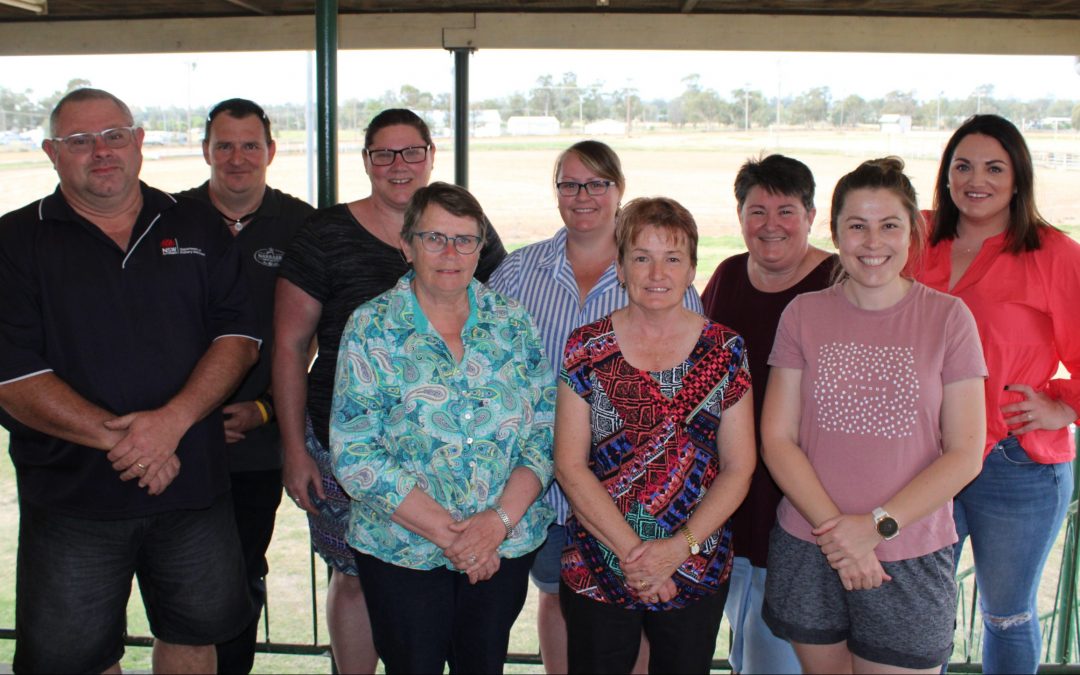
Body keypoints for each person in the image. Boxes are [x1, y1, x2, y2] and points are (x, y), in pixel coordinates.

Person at [0, 88, 259, 673]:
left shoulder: (196, 223)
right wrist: (132, 444)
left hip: (192, 489)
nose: (101, 152)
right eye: (79, 141)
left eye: (114, 136)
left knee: (195, 636)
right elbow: (13, 376)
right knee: (73, 660)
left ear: (139, 142)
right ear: (51, 153)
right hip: (73, 500)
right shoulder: (15, 241)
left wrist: (169, 425)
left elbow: (240, 338)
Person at [274, 108, 506, 673]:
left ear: (430, 155)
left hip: (460, 455)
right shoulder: (325, 234)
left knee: (449, 584)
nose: (399, 165)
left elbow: (496, 321)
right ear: (367, 161)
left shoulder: (465, 224)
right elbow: (288, 345)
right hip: (350, 446)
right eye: (384, 153)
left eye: (411, 152)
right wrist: (294, 448)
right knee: (354, 575)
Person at [760, 157, 987, 674]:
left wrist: (875, 529)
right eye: (856, 226)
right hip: (810, 545)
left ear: (914, 231)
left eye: (889, 225)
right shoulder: (803, 314)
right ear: (835, 231)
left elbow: (966, 452)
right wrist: (841, 537)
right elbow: (777, 438)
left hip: (909, 553)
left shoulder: (949, 319)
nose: (872, 242)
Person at [488, 140, 702, 674]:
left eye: (597, 183)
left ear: (618, 190)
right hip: (538, 485)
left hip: (631, 497)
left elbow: (690, 394)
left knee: (638, 607)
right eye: (569, 183)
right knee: (557, 599)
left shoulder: (655, 276)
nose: (582, 196)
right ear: (556, 190)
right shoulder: (517, 273)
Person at [329, 182, 553, 674]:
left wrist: (495, 524)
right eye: (434, 238)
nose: (450, 253)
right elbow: (355, 453)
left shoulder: (513, 322)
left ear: (480, 247)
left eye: (464, 239)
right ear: (407, 246)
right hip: (401, 550)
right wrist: (456, 538)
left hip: (503, 545)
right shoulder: (370, 327)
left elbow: (543, 432)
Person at [554, 196, 756, 674]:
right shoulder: (587, 347)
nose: (656, 273)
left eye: (672, 258)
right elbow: (568, 463)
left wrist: (674, 551)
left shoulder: (725, 350)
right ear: (620, 267)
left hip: (696, 561)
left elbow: (740, 466)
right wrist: (635, 555)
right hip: (600, 560)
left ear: (691, 270)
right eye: (641, 257)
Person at [914, 114, 1080, 674]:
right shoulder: (916, 236)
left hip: (1014, 463)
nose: (975, 179)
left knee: (1006, 617)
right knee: (920, 610)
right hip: (922, 458)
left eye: (993, 167)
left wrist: (1061, 402)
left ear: (1018, 177)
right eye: (962, 165)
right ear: (946, 174)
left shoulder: (1053, 253)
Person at [177, 97, 315, 675]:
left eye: (250, 145)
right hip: (178, 441)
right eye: (225, 145)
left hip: (255, 442)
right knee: (179, 583)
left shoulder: (303, 224)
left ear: (271, 151)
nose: (237, 158)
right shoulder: (167, 217)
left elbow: (309, 335)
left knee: (241, 573)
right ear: (206, 150)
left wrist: (266, 410)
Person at [699, 153, 835, 674]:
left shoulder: (835, 280)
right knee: (742, 626)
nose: (770, 225)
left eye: (786, 211)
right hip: (734, 480)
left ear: (811, 215)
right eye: (757, 211)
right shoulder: (730, 274)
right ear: (739, 217)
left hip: (802, 482)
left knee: (781, 640)